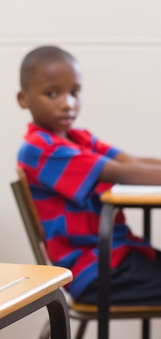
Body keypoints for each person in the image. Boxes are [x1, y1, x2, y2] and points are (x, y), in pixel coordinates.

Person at [16, 45, 161, 305]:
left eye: (74, 92)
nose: (68, 104)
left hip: (119, 255)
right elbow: (124, 172)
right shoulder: (41, 149)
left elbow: (131, 161)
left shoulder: (78, 138)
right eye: (52, 94)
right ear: (23, 99)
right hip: (95, 271)